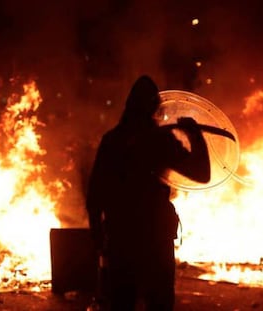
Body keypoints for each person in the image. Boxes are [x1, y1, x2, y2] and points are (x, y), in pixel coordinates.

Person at [86, 75, 211, 311]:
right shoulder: (160, 141)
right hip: (155, 239)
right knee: (159, 303)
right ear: (155, 107)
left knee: (121, 303)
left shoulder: (112, 141)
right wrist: (195, 135)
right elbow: (202, 173)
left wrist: (98, 238)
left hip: (121, 236)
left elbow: (95, 195)